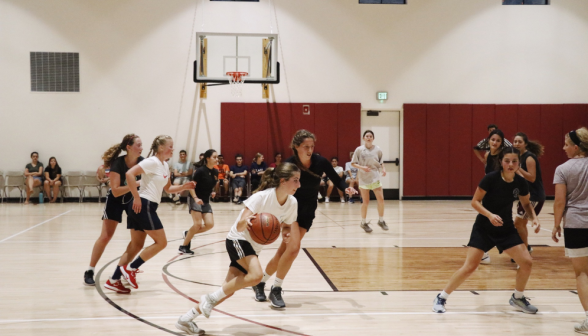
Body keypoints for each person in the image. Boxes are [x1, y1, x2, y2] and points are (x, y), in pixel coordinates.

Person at [175, 163, 300, 335]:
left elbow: (286, 226)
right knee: (256, 276)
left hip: (253, 247)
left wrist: (286, 234)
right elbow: (241, 225)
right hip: (238, 239)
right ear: (283, 181)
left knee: (227, 290)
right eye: (295, 180)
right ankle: (208, 299)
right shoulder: (262, 197)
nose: (299, 185)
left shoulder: (292, 203)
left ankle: (186, 319)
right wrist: (246, 222)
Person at [251, 129, 357, 308]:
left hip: (308, 210)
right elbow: (276, 186)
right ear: (296, 147)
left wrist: (345, 188)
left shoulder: (320, 161)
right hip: (290, 210)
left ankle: (260, 283)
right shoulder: (290, 164)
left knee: (283, 252)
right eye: (306, 146)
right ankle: (276, 289)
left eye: (312, 146)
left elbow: (335, 178)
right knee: (293, 249)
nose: (310, 149)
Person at [433, 147, 540, 314]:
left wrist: (534, 218)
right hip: (484, 227)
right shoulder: (490, 179)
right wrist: (490, 215)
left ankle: (517, 298)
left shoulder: (520, 182)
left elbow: (526, 203)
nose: (510, 164)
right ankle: (441, 297)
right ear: (501, 162)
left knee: (526, 262)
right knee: (470, 267)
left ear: (519, 163)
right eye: (507, 161)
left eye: (514, 161)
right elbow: (475, 202)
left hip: (506, 229)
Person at [104, 135, 195, 294]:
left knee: (136, 246)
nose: (172, 149)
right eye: (170, 146)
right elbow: (129, 174)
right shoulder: (151, 161)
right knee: (161, 242)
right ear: (161, 148)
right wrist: (137, 197)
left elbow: (168, 189)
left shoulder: (164, 166)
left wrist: (184, 187)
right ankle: (131, 268)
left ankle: (113, 280)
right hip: (143, 205)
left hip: (145, 207)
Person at [84, 134, 144, 287]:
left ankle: (123, 270)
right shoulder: (118, 163)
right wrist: (136, 184)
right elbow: (116, 191)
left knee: (137, 241)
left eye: (141, 144)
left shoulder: (142, 162)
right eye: (138, 144)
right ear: (128, 147)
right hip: (115, 200)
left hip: (133, 200)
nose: (141, 148)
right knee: (105, 236)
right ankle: (90, 270)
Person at [551, 127, 588, 334]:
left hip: (576, 225)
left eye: (566, 144)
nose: (563, 148)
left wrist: (556, 225)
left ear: (576, 147)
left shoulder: (563, 169)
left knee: (582, 273)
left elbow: (559, 201)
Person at [179, 149, 219, 255]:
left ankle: (188, 233)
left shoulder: (215, 172)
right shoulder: (200, 171)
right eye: (214, 157)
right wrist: (196, 198)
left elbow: (212, 185)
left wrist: (213, 192)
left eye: (217, 157)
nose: (217, 159)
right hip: (194, 198)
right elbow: (191, 186)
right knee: (197, 224)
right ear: (207, 158)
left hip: (205, 200)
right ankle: (183, 246)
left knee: (210, 224)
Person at [512, 132, 545, 255]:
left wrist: (518, 168)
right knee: (521, 224)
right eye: (515, 141)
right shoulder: (516, 157)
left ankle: (524, 251)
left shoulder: (529, 157)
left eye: (519, 142)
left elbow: (532, 178)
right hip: (524, 195)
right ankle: (526, 248)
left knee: (518, 223)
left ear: (525, 144)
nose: (516, 144)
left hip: (534, 196)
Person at [352, 130, 387, 232]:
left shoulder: (377, 149)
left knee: (381, 200)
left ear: (373, 138)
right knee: (365, 202)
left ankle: (381, 220)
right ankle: (363, 222)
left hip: (375, 177)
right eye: (367, 136)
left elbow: (381, 162)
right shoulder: (359, 150)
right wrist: (362, 167)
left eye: (370, 136)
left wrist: (383, 169)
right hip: (363, 178)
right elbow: (353, 163)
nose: (368, 137)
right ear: (363, 138)